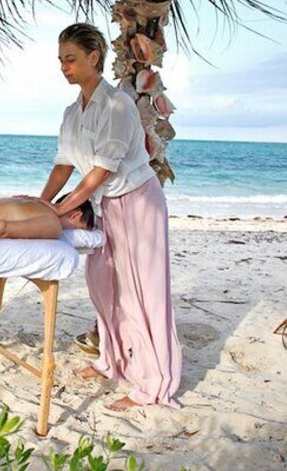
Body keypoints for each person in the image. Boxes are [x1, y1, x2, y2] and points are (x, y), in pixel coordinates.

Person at [37, 22, 181, 411]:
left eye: (71, 59)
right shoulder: (72, 112)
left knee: (141, 293)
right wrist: (41, 202)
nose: (64, 67)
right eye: (60, 60)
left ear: (94, 57)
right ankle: (111, 362)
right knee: (102, 285)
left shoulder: (118, 105)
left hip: (137, 203)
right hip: (105, 207)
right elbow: (63, 166)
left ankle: (152, 384)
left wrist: (61, 209)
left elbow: (101, 171)